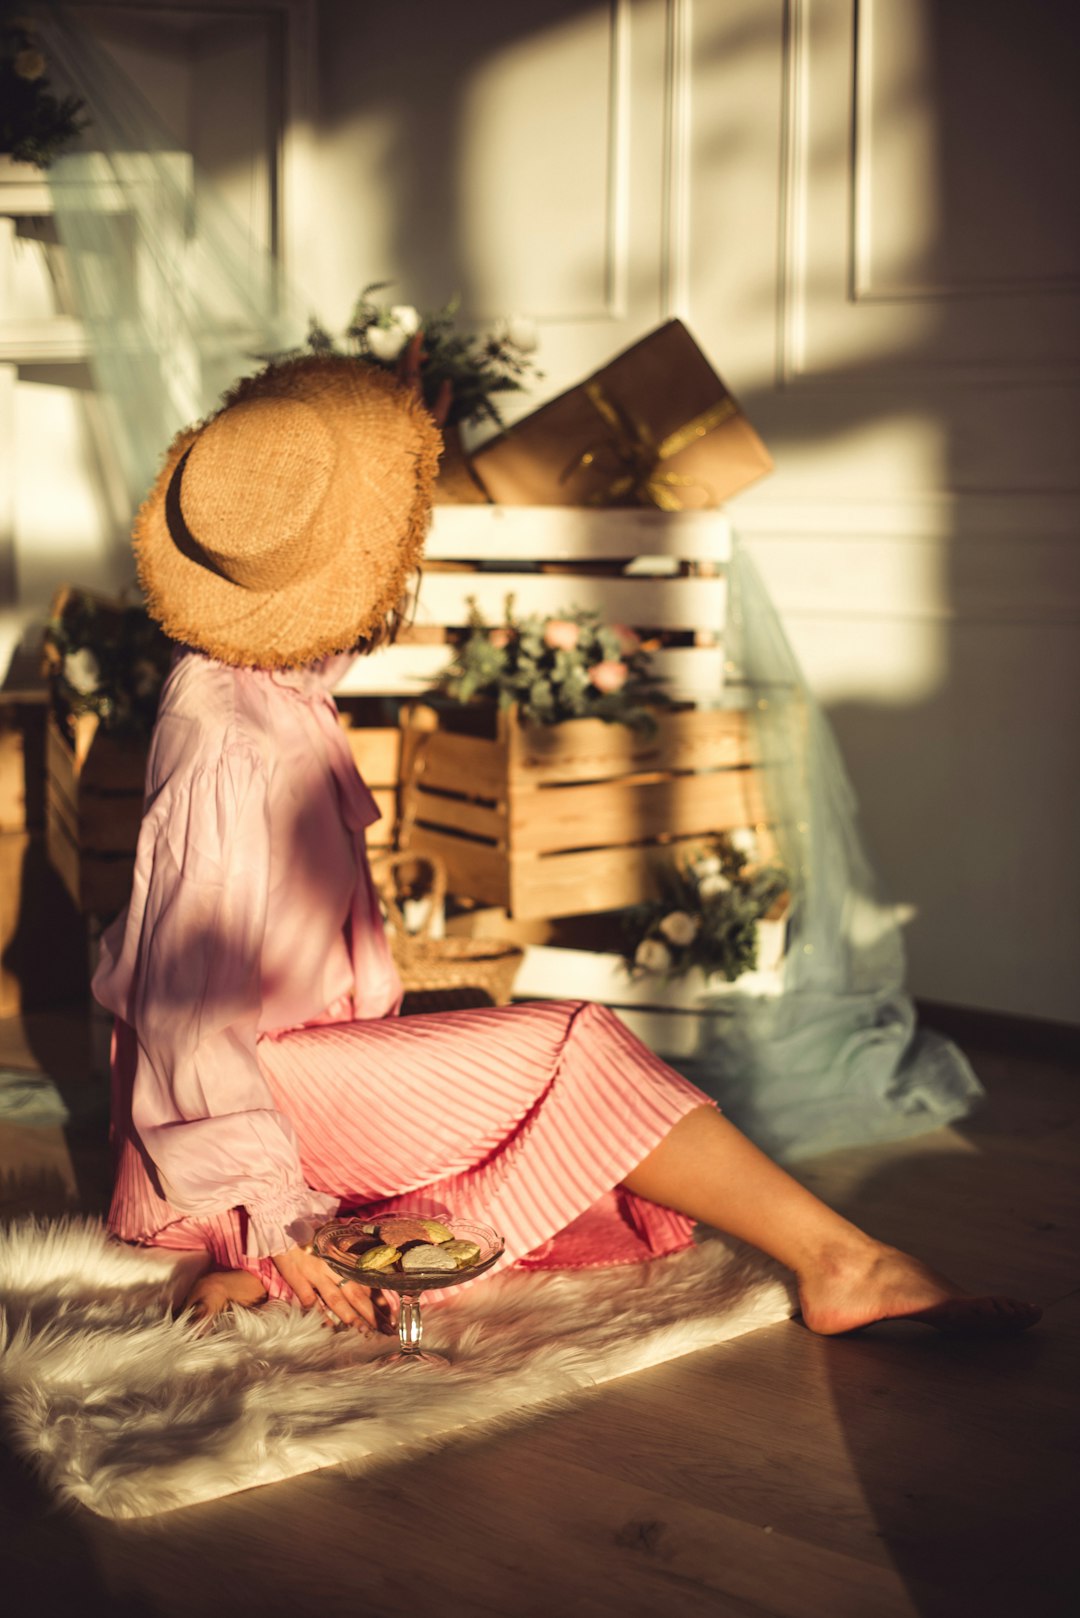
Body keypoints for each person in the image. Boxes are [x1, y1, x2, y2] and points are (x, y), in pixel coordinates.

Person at [94, 354, 1040, 1339]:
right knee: (574, 1050)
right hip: (254, 1095)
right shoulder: (228, 744)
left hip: (299, 1071)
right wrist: (270, 1206)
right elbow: (186, 1013)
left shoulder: (263, 682)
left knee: (588, 1163)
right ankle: (846, 1261)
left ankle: (284, 1275)